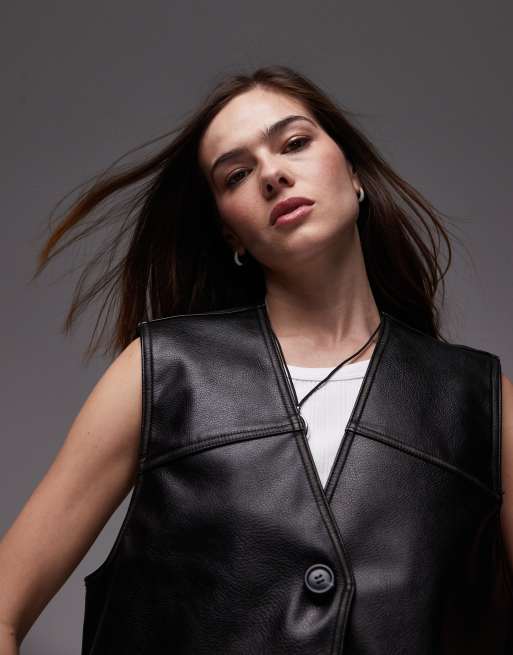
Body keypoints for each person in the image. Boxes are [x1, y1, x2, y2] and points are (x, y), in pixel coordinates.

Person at [0, 65, 512, 654]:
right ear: (231, 235)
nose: (272, 174)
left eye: (294, 143)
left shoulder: (481, 402)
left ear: (354, 173)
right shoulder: (162, 374)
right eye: (237, 174)